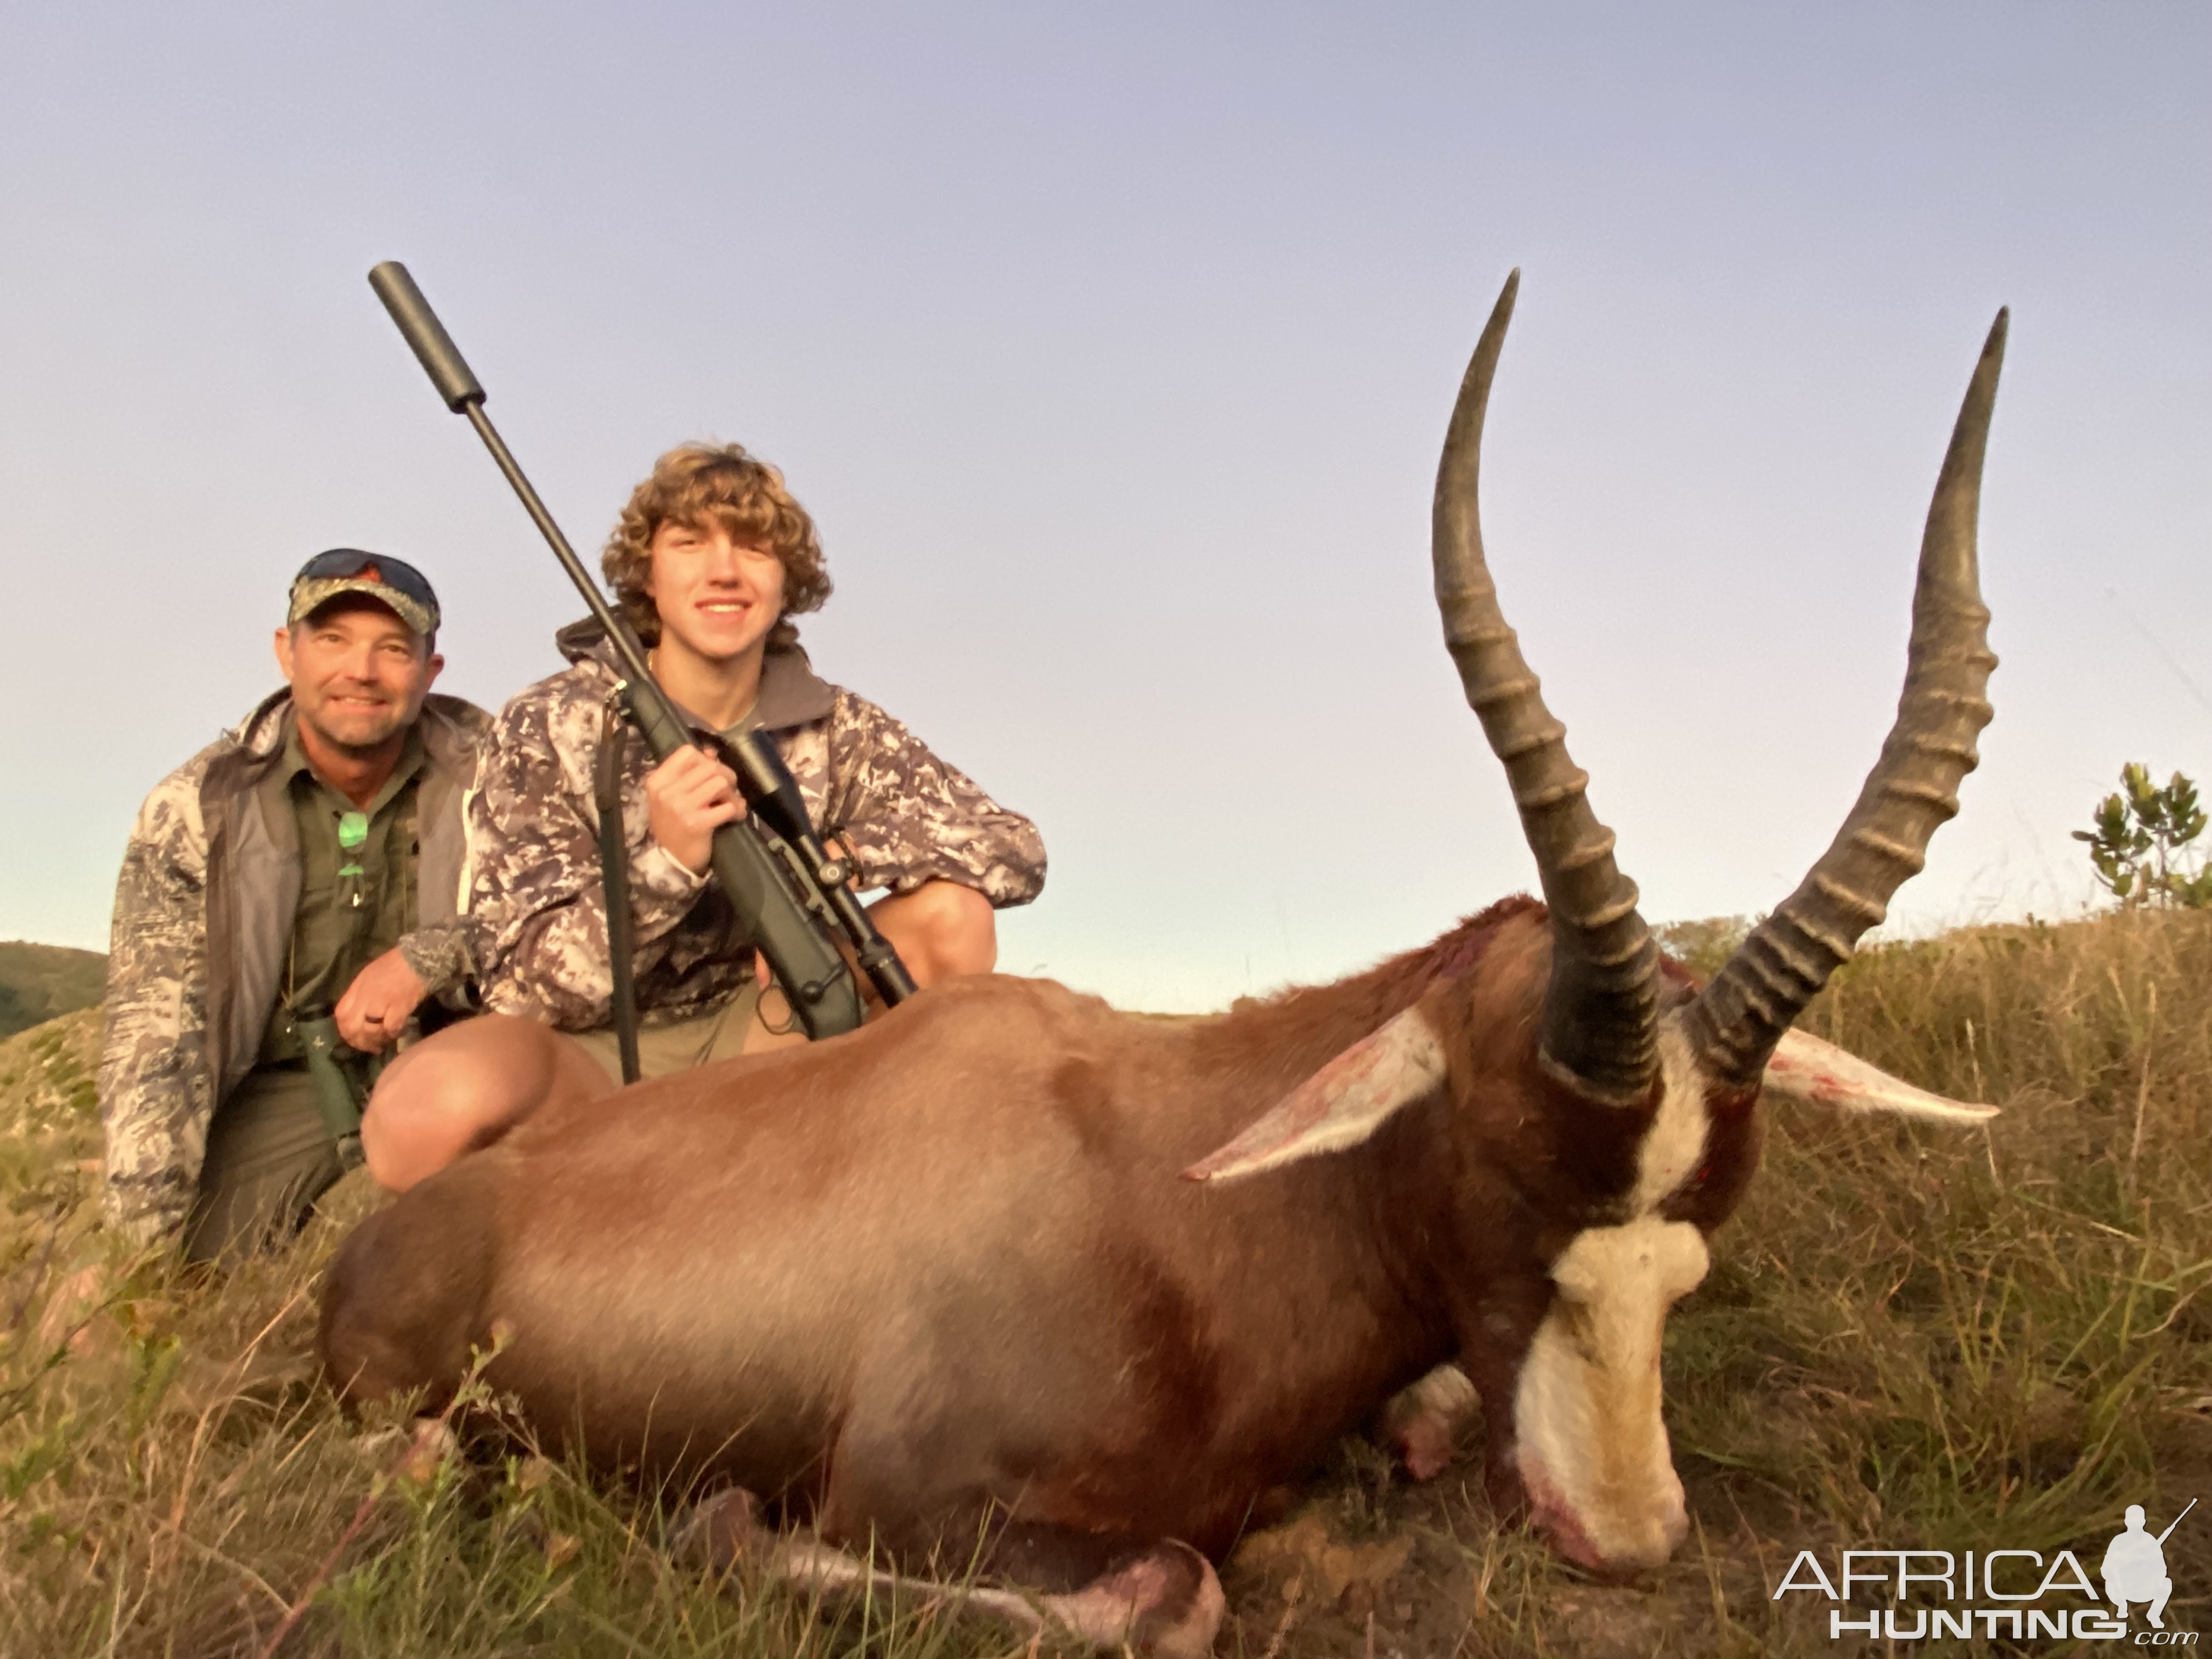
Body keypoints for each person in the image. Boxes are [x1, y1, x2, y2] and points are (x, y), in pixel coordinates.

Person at [361, 443, 1045, 1189]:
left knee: (954, 917)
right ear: (647, 576)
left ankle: (845, 1192)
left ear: (788, 583)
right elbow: (524, 991)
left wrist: (833, 861)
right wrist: (669, 865)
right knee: (420, 1119)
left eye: (754, 547)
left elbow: (1014, 847)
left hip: (764, 1043)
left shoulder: (838, 724)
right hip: (586, 1056)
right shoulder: (549, 721)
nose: (725, 571)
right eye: (690, 543)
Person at [99, 552, 489, 1261]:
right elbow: (153, 1042)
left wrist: (432, 956)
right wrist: (138, 1256)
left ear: (431, 673)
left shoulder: (501, 775)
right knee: (195, 1270)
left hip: (464, 1063)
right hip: (283, 1085)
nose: (361, 671)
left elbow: (557, 915)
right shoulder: (193, 810)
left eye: (393, 649)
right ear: (288, 653)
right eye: (332, 640)